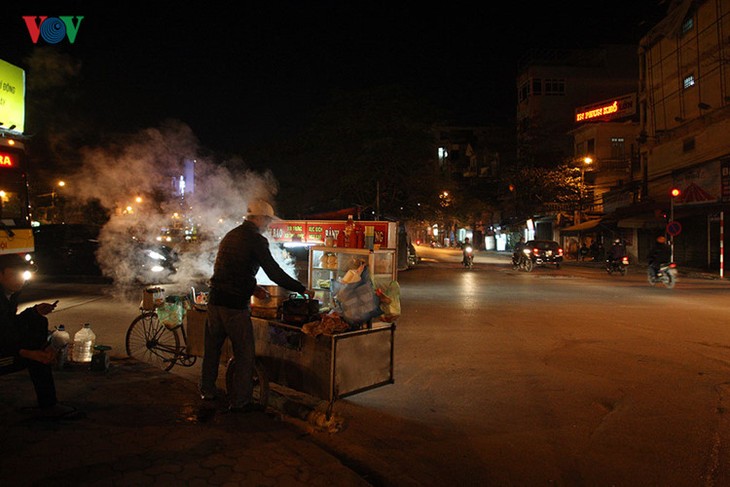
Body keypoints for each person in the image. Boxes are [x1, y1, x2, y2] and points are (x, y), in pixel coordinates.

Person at [200, 199, 314, 413]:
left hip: (215, 302)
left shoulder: (231, 235)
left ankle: (207, 390)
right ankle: (241, 401)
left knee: (212, 350)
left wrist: (254, 289)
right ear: (259, 218)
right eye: (268, 220)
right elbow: (273, 271)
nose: (268, 224)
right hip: (234, 306)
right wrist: (300, 288)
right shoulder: (255, 239)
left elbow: (229, 270)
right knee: (244, 354)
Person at [0, 254, 81, 419]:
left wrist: (35, 311)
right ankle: (48, 405)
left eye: (22, 274)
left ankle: (48, 403)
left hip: (7, 345)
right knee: (36, 358)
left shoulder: (10, 294)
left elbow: (10, 324)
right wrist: (28, 353)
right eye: (14, 274)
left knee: (38, 320)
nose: (20, 279)